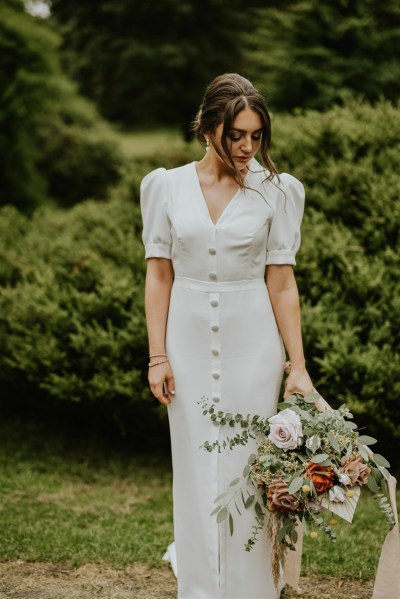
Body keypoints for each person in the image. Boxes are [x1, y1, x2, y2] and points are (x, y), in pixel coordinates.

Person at [140, 73, 314, 599]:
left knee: (250, 465)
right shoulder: (165, 186)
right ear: (208, 126)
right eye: (236, 134)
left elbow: (281, 283)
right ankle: (199, 585)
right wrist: (157, 355)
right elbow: (159, 274)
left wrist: (297, 366)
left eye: (256, 136)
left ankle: (251, 587)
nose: (246, 147)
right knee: (193, 465)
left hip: (253, 343)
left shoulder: (277, 191)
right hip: (186, 342)